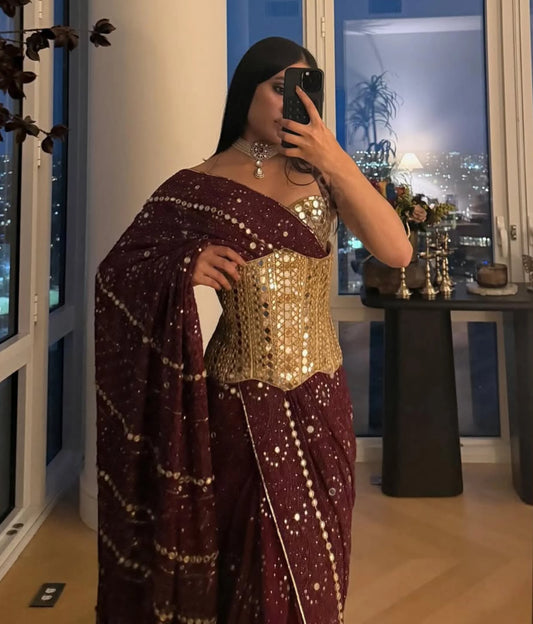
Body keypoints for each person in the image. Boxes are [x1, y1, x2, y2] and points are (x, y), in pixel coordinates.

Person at [94, 37, 412, 624]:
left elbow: (396, 252)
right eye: (279, 87)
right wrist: (183, 264)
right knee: (245, 560)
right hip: (236, 403)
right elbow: (118, 272)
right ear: (246, 91)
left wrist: (334, 158)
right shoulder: (200, 183)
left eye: (305, 89)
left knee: (316, 566)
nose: (293, 101)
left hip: (319, 398)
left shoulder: (324, 175)